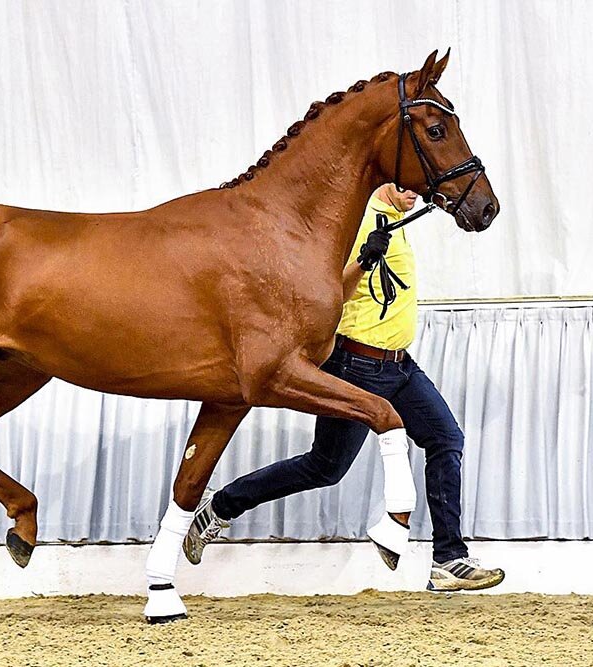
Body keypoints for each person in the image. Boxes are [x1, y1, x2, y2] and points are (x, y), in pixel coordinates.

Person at [184, 183, 504, 591]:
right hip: (356, 364)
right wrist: (365, 261)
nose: (414, 195)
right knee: (326, 466)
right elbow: (331, 294)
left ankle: (449, 559)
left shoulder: (398, 217)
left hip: (400, 366)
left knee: (446, 438)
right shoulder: (358, 220)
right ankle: (221, 506)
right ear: (384, 181)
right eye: (405, 188)